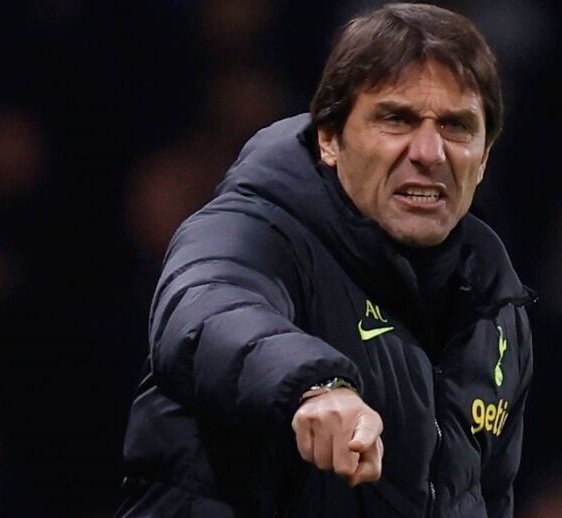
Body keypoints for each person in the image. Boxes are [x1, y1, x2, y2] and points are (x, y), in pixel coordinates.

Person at [116, 4, 534, 517]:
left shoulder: (495, 312)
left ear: (484, 157)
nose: (429, 152)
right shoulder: (254, 230)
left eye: (456, 126)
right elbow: (208, 312)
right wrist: (315, 387)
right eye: (396, 119)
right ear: (330, 139)